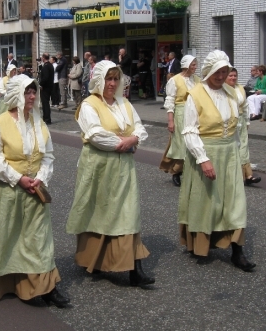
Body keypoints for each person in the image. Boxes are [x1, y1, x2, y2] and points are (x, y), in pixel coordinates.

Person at [0, 75, 69, 307]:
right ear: (17, 94)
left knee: (38, 238)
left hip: (35, 190)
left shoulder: (39, 122)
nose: (32, 96)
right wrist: (18, 179)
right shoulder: (0, 124)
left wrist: (40, 178)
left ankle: (46, 287)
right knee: (8, 237)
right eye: (27, 92)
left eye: (34, 92)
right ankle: (9, 284)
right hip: (7, 190)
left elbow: (47, 155)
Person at [66, 61, 154, 287]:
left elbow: (140, 128)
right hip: (99, 167)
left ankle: (135, 268)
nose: (112, 84)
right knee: (99, 214)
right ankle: (94, 259)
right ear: (99, 80)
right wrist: (124, 143)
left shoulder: (123, 103)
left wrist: (134, 139)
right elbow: (95, 134)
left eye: (116, 79)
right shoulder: (89, 105)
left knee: (127, 212)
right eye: (108, 79)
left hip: (123, 168)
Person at [178, 50, 255, 271]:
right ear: (209, 71)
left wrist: (241, 157)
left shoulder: (232, 93)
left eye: (225, 71)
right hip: (207, 151)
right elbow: (190, 131)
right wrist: (203, 159)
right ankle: (200, 242)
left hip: (229, 153)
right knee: (206, 202)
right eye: (218, 72)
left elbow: (237, 128)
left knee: (235, 202)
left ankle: (237, 252)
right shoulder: (196, 94)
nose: (221, 76)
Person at [160, 55, 200, 187]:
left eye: (195, 65)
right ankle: (176, 171)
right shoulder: (175, 80)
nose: (195, 67)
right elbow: (170, 100)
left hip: (194, 113)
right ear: (186, 65)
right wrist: (170, 120)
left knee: (194, 142)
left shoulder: (197, 80)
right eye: (193, 65)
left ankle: (191, 172)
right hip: (181, 113)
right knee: (181, 144)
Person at [226, 68, 261, 186]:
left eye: (235, 75)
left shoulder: (240, 88)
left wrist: (247, 121)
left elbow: (245, 105)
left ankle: (248, 175)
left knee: (244, 147)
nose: (233, 78)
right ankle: (236, 175)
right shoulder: (223, 89)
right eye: (230, 76)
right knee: (233, 148)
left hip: (241, 119)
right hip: (229, 121)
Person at [39, 53, 54, 125]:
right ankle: (46, 117)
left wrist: (40, 84)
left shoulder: (46, 66)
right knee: (46, 103)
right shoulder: (50, 65)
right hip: (50, 86)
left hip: (45, 87)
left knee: (45, 103)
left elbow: (45, 77)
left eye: (42, 57)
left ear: (44, 58)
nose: (41, 58)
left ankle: (47, 118)